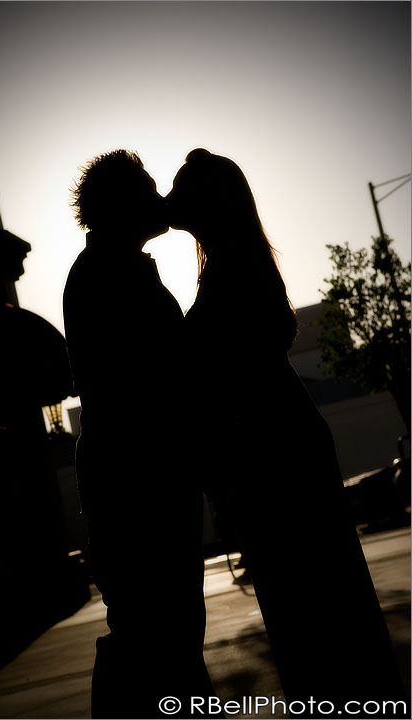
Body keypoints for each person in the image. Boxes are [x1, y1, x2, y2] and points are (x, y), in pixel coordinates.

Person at [166, 148, 408, 719]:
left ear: (207, 202)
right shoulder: (236, 261)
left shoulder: (230, 271)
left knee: (311, 614)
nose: (171, 198)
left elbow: (221, 373)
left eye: (182, 189)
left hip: (275, 459)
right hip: (281, 449)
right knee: (323, 609)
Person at [63, 150, 215, 719]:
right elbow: (159, 373)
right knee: (159, 638)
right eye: (148, 189)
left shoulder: (112, 267)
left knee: (156, 636)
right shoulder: (111, 273)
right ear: (124, 204)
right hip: (138, 487)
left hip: (137, 480)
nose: (159, 199)